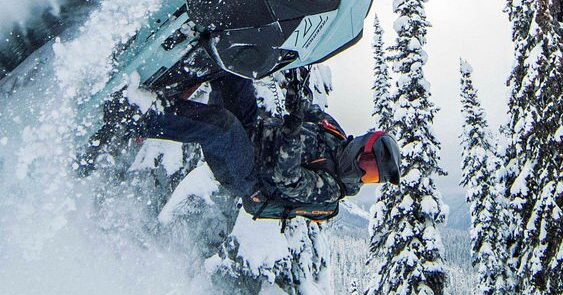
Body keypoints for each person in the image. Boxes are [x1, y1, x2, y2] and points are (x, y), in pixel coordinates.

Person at [136, 72, 401, 222]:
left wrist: (292, 132)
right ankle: (197, 43)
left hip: (248, 177)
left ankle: (139, 115)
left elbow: (287, 178)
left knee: (221, 127)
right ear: (363, 147)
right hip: (253, 130)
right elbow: (306, 108)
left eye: (372, 177)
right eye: (369, 167)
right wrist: (297, 86)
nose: (364, 176)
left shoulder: (330, 191)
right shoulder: (333, 131)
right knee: (235, 72)